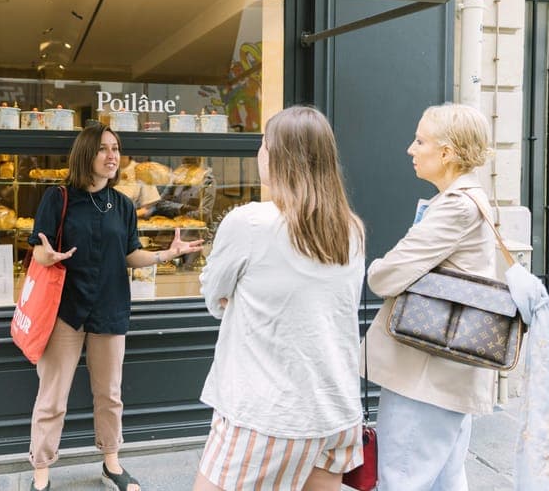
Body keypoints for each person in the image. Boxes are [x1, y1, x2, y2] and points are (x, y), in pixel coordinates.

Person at [193, 106, 367, 491]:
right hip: (336, 411)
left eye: (263, 145)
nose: (260, 154)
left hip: (267, 413)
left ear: (278, 156)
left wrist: (238, 302)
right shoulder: (351, 229)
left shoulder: (250, 222)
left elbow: (212, 294)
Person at [26, 124, 204, 491]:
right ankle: (41, 471)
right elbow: (38, 248)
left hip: (110, 308)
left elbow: (129, 255)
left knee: (109, 394)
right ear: (85, 154)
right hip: (65, 311)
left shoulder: (122, 204)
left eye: (116, 149)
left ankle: (111, 462)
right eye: (104, 149)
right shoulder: (58, 198)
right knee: (52, 396)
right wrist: (49, 255)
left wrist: (165, 254)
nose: (112, 156)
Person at [362, 103, 496, 491]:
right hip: (443, 367)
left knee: (402, 477)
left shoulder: (455, 206)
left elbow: (385, 276)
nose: (411, 149)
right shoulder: (466, 200)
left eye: (420, 140)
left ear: (447, 153)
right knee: (443, 478)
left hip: (427, 369)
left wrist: (374, 269)